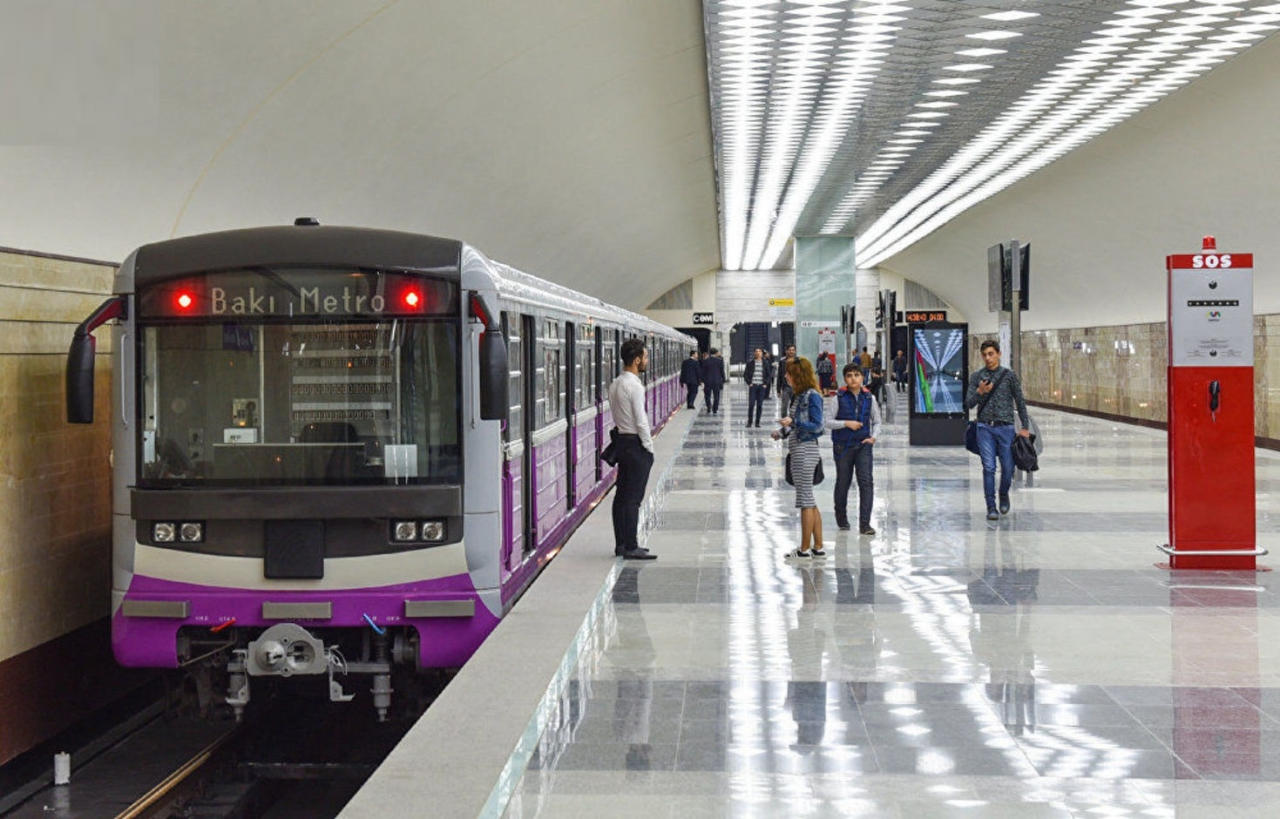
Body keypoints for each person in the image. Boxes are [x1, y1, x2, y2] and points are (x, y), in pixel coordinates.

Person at [965, 339, 1032, 521]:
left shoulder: (1009, 376)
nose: (988, 358)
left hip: (1006, 428)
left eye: (991, 354)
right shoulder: (976, 377)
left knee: (1008, 468)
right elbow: (968, 404)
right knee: (989, 467)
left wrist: (1025, 427)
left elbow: (1020, 401)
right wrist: (979, 392)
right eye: (985, 355)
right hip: (984, 427)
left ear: (999, 354)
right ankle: (991, 506)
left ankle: (1003, 493)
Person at [608, 338, 658, 560]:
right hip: (635, 444)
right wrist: (649, 448)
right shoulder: (635, 385)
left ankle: (621, 544)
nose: (647, 361)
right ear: (637, 360)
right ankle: (631, 546)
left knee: (621, 496)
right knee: (633, 499)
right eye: (645, 357)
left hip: (621, 442)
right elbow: (641, 420)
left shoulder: (616, 383)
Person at [773, 358, 825, 559]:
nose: (786, 376)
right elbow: (795, 424)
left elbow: (818, 426)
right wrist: (782, 431)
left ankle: (803, 550)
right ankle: (818, 546)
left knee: (805, 500)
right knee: (809, 500)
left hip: (806, 451)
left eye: (789, 373)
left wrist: (793, 421)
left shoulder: (812, 396)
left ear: (798, 375)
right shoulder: (799, 395)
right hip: (798, 449)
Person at [827, 364, 880, 534]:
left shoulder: (869, 398)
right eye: (849, 375)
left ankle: (865, 523)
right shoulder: (838, 398)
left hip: (863, 445)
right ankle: (842, 518)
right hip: (843, 446)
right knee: (844, 481)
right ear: (845, 379)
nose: (853, 378)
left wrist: (873, 437)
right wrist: (846, 423)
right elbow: (827, 421)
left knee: (866, 482)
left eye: (857, 375)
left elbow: (877, 420)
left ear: (863, 378)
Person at [743, 347, 773, 428]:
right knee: (751, 404)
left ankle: (757, 422)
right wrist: (749, 383)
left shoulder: (765, 363)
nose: (758, 353)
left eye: (759, 351)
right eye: (756, 351)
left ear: (762, 353)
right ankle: (749, 422)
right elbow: (745, 375)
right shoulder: (750, 363)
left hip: (761, 386)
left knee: (760, 405)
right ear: (754, 353)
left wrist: (765, 384)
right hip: (753, 386)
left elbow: (769, 374)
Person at [700, 347, 726, 414]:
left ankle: (709, 408)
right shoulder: (719, 361)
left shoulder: (705, 361)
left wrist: (702, 380)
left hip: (707, 381)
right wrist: (723, 379)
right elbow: (722, 371)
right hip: (716, 381)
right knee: (716, 396)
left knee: (707, 395)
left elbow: (703, 372)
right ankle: (715, 409)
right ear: (716, 353)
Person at [776, 344, 797, 417]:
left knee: (794, 407)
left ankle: (792, 423)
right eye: (790, 350)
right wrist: (778, 390)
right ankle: (784, 423)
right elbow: (779, 376)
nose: (791, 351)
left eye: (793, 350)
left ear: (795, 351)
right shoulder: (782, 362)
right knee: (784, 406)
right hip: (786, 387)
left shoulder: (798, 361)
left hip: (796, 387)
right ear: (786, 351)